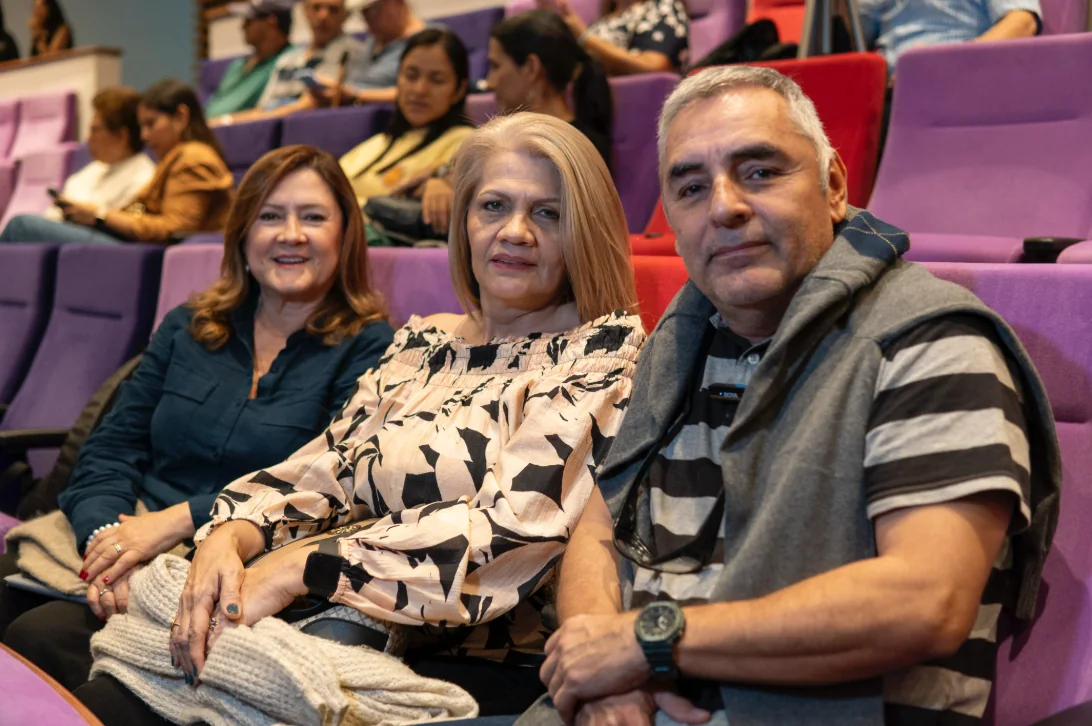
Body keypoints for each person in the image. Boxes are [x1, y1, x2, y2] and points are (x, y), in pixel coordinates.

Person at [72, 113, 645, 725]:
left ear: (584, 230)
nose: (515, 232)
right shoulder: (423, 342)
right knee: (80, 660)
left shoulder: (603, 353)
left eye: (548, 213)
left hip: (466, 654)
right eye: (493, 206)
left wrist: (303, 567)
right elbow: (324, 469)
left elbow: (506, 536)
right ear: (464, 224)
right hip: (330, 610)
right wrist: (228, 534)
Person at [534, 66, 1060, 726]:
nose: (725, 206)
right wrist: (602, 674)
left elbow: (927, 601)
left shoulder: (928, 340)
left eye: (759, 172)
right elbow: (601, 524)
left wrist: (650, 641)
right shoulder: (684, 334)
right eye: (692, 188)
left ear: (833, 185)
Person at [1, 144, 396, 688]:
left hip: (240, 570)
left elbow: (327, 488)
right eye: (270, 216)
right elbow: (110, 449)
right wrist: (113, 544)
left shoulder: (373, 347)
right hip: (127, 535)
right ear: (243, 233)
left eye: (313, 217)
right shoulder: (190, 324)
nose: (291, 234)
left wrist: (175, 522)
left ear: (345, 235)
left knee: (37, 641)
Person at [0, 79, 233, 245]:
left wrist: (100, 215)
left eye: (151, 124)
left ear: (181, 117)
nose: (144, 136)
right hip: (138, 248)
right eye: (142, 126)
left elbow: (174, 229)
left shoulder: (193, 156)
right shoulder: (175, 158)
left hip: (147, 255)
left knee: (22, 226)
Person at [340, 28, 473, 232]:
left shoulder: (466, 143)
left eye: (436, 80)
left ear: (459, 90)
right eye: (411, 76)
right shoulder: (377, 143)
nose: (420, 90)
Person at [215, 0, 423, 125]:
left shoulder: (353, 51)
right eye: (316, 7)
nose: (322, 17)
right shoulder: (289, 58)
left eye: (332, 10)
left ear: (344, 16)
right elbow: (262, 108)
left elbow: (315, 103)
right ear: (305, 10)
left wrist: (229, 121)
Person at [488, 10, 613, 171]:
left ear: (531, 68)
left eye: (495, 66)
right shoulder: (505, 142)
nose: (489, 83)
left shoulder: (579, 150)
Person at [36, 88, 156, 225]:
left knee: (21, 225)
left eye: (95, 130)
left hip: (96, 242)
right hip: (60, 235)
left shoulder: (143, 179)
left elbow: (123, 226)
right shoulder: (92, 170)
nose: (88, 138)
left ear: (121, 136)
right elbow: (51, 216)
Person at [860, 0, 1042, 76]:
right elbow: (853, 33)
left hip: (966, 78)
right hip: (890, 87)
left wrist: (953, 64)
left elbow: (1022, 22)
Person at [539, 0, 689, 75]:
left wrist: (584, 37)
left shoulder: (661, 7)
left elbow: (655, 67)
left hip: (633, 106)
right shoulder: (601, 22)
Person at [203, 0, 294, 119]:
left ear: (271, 21)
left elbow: (271, 109)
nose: (242, 27)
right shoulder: (237, 65)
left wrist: (224, 121)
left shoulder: (290, 60)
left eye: (248, 21)